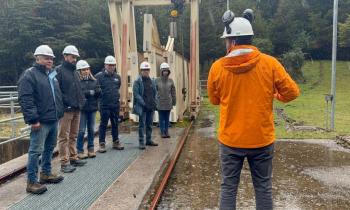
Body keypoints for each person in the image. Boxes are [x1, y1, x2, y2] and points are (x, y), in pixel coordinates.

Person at [207, 9, 300, 210]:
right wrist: (276, 95)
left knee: (228, 188)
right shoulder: (270, 63)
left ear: (231, 41)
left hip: (230, 140)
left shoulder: (217, 67)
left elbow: (214, 100)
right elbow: (292, 92)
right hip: (261, 139)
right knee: (263, 188)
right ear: (249, 38)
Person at [18, 45, 64, 194]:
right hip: (40, 121)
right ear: (37, 58)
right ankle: (31, 182)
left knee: (49, 148)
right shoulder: (29, 75)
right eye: (46, 58)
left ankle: (45, 173)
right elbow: (26, 99)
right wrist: (33, 120)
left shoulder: (51, 75)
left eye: (51, 58)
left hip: (52, 119)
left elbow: (56, 97)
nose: (49, 60)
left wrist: (59, 114)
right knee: (35, 151)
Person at [56, 45, 87, 173]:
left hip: (76, 108)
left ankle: (73, 157)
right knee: (63, 136)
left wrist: (81, 101)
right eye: (72, 56)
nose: (74, 59)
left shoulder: (75, 71)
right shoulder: (58, 70)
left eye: (75, 57)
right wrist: (65, 104)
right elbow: (56, 90)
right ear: (65, 56)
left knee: (73, 135)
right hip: (66, 109)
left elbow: (78, 89)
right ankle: (64, 162)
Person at [95, 55, 124, 153]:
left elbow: (118, 87)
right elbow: (96, 91)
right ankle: (102, 144)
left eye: (113, 65)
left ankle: (116, 142)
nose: (111, 67)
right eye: (109, 65)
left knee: (115, 124)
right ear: (105, 65)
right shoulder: (99, 76)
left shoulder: (117, 77)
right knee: (103, 124)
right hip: (104, 105)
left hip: (115, 105)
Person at [76, 60, 100, 159]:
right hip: (82, 109)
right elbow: (78, 93)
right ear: (79, 71)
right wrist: (89, 92)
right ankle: (80, 151)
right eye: (83, 70)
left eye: (87, 69)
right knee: (81, 130)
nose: (86, 71)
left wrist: (97, 91)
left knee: (91, 129)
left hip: (92, 108)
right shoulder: (77, 82)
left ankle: (91, 149)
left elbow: (98, 92)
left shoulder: (94, 81)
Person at [132, 61, 158, 150]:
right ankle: (141, 142)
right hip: (143, 107)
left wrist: (155, 102)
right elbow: (136, 95)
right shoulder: (137, 81)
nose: (146, 71)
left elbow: (155, 92)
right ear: (141, 70)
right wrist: (144, 103)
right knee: (142, 125)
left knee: (150, 124)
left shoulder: (152, 81)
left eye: (147, 69)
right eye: (144, 70)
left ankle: (149, 140)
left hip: (151, 106)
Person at [155, 62, 176, 138]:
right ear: (161, 71)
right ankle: (162, 132)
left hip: (168, 102)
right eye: (164, 70)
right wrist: (155, 102)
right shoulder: (157, 80)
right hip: (160, 103)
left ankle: (166, 132)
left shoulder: (171, 81)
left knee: (167, 118)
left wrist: (174, 101)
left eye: (167, 70)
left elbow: (173, 92)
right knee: (161, 118)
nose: (165, 72)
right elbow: (154, 92)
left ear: (168, 71)